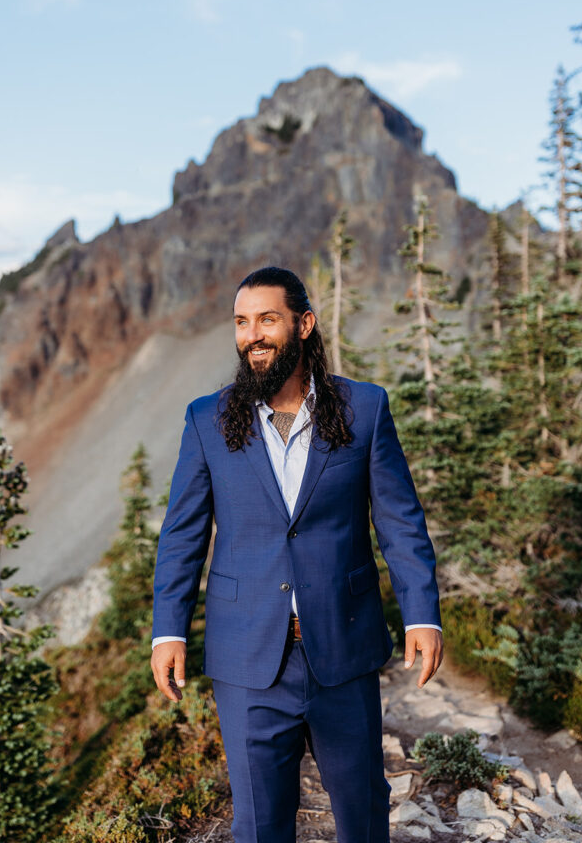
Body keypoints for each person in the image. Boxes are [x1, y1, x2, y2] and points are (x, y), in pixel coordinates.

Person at [150, 266, 442, 843]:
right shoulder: (207, 419)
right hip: (247, 660)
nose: (252, 334)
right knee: (260, 824)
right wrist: (169, 631)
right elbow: (182, 535)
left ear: (303, 324)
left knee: (361, 811)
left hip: (343, 645)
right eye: (241, 322)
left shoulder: (365, 409)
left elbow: (399, 520)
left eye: (267, 319)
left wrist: (422, 613)